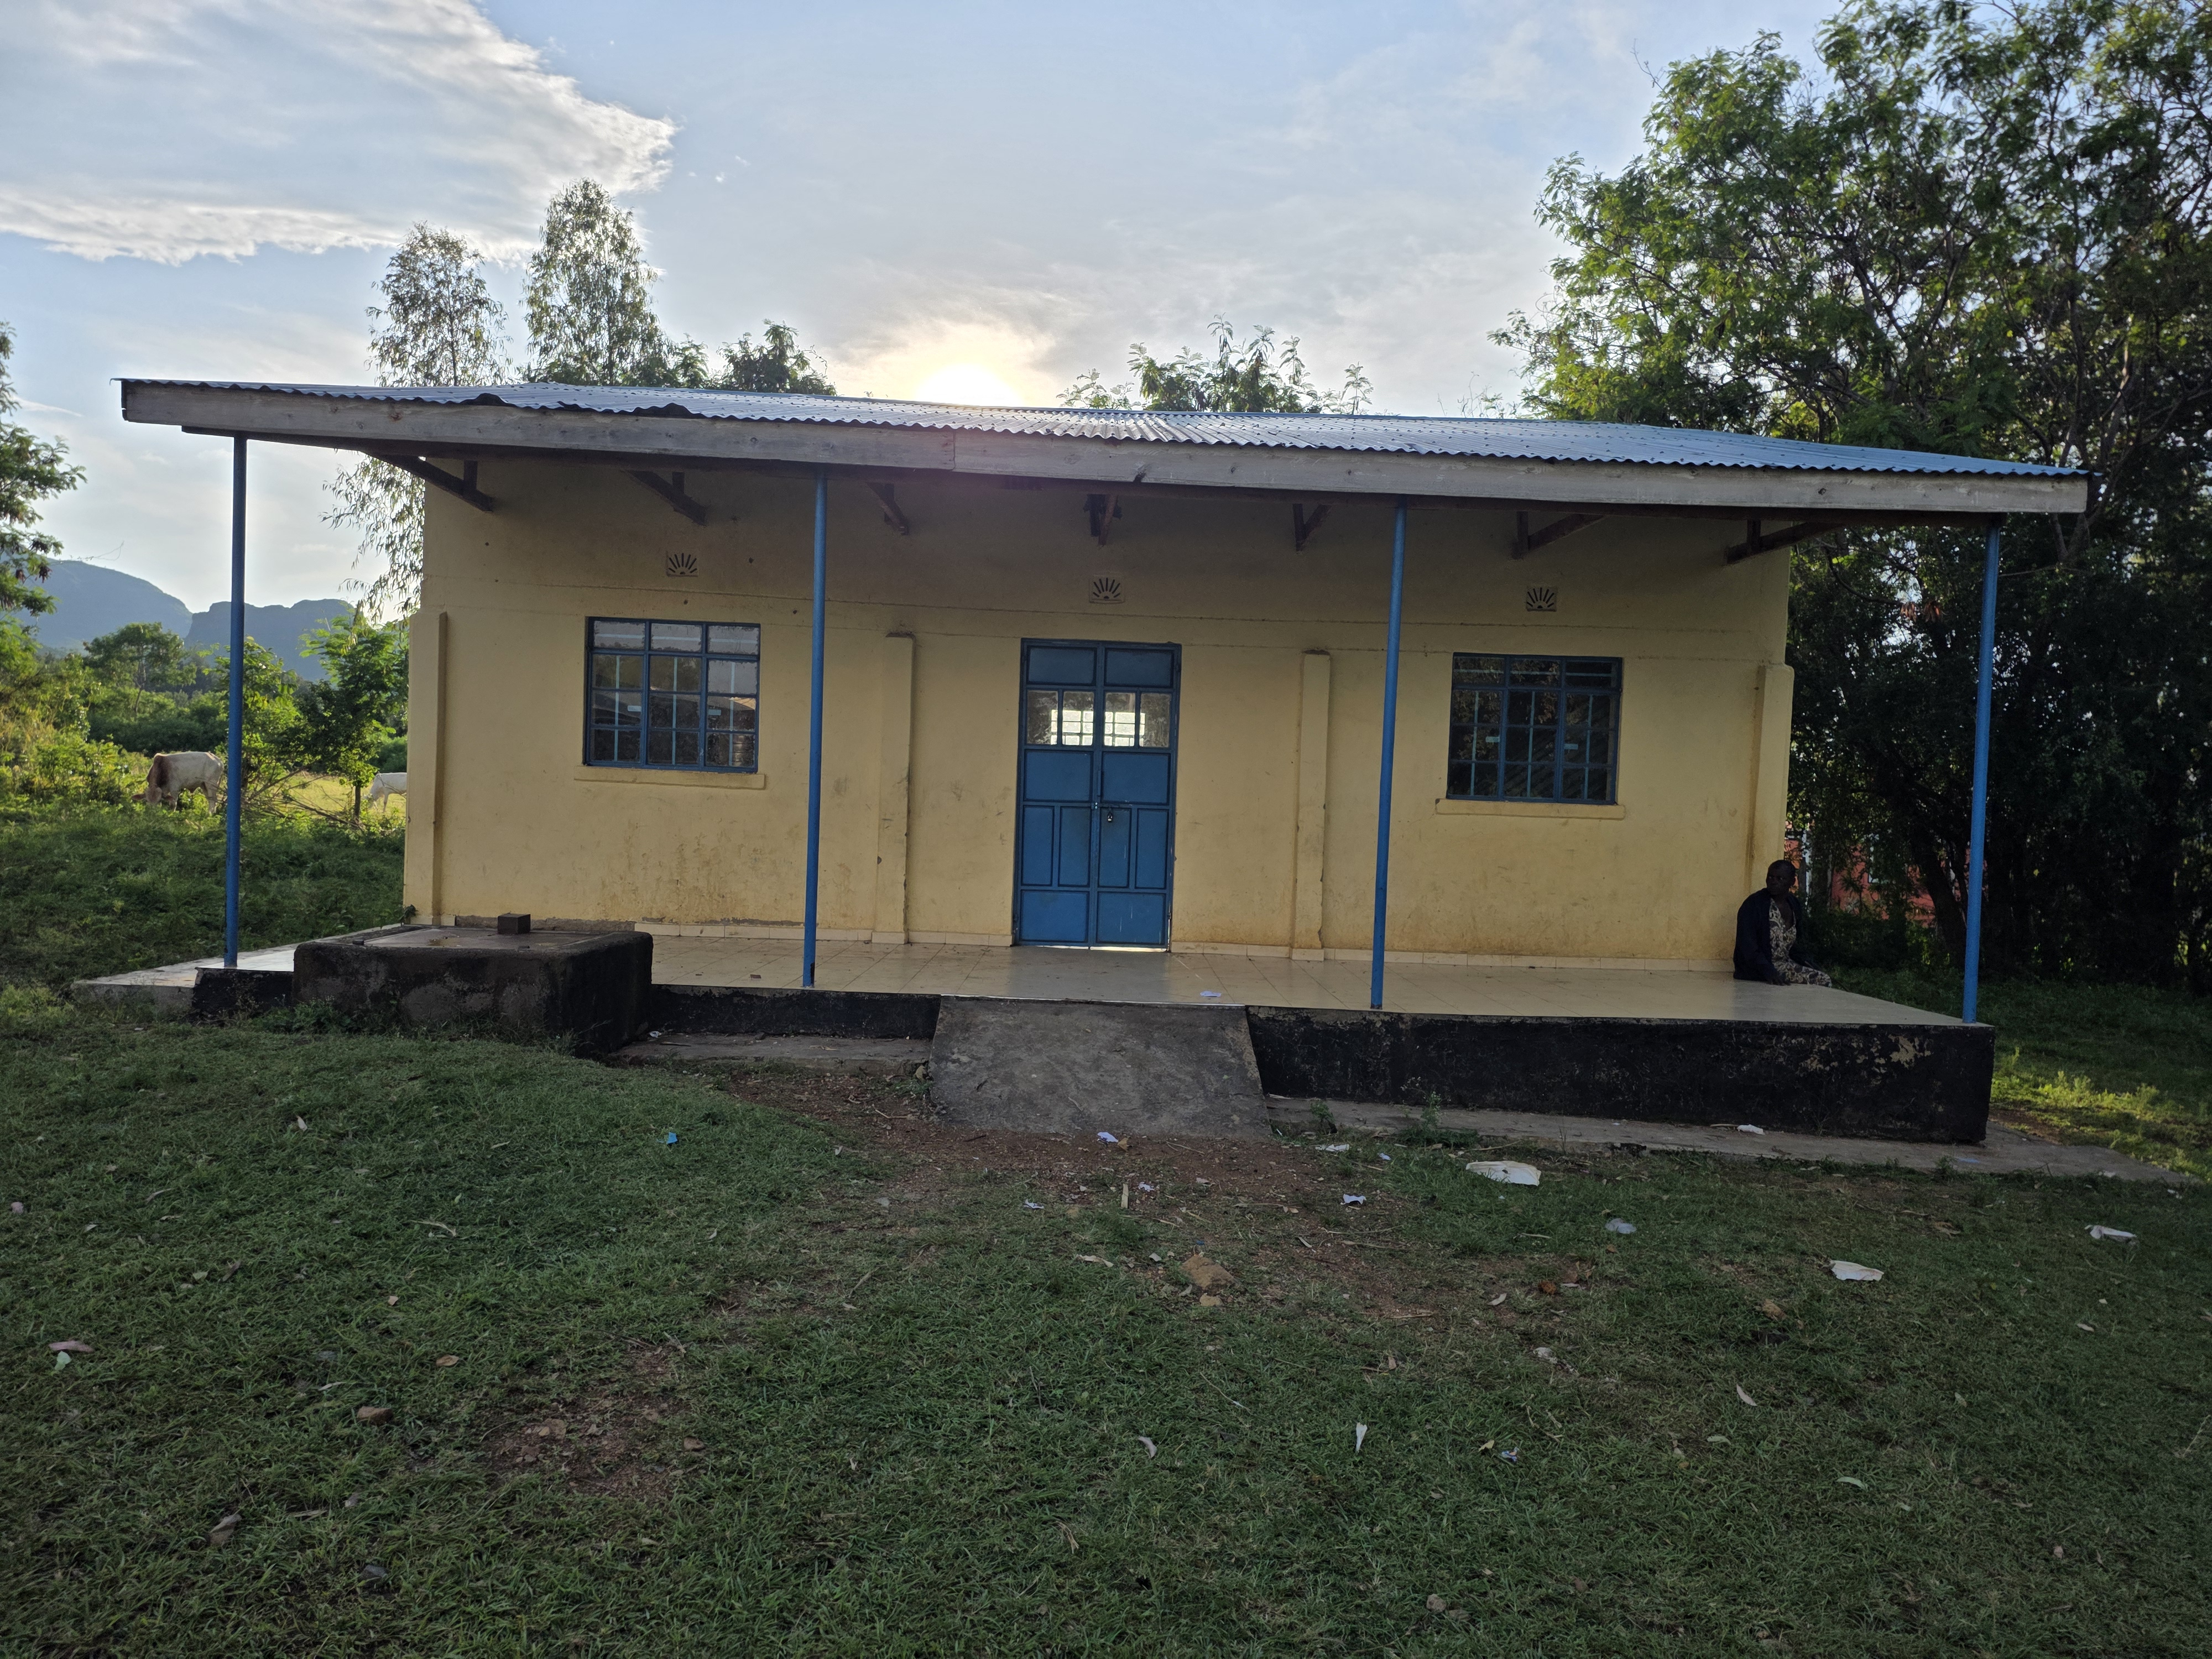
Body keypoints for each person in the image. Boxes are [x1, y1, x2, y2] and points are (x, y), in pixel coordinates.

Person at [1734, 859, 1832, 986]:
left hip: (1785, 964)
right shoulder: (1754, 905)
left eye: (1780, 879)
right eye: (1770, 877)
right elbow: (1748, 946)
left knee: (1822, 977)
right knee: (1822, 980)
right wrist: (1768, 971)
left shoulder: (1794, 905)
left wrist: (1809, 963)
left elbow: (1797, 946)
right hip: (1757, 969)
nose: (1773, 882)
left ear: (1792, 882)